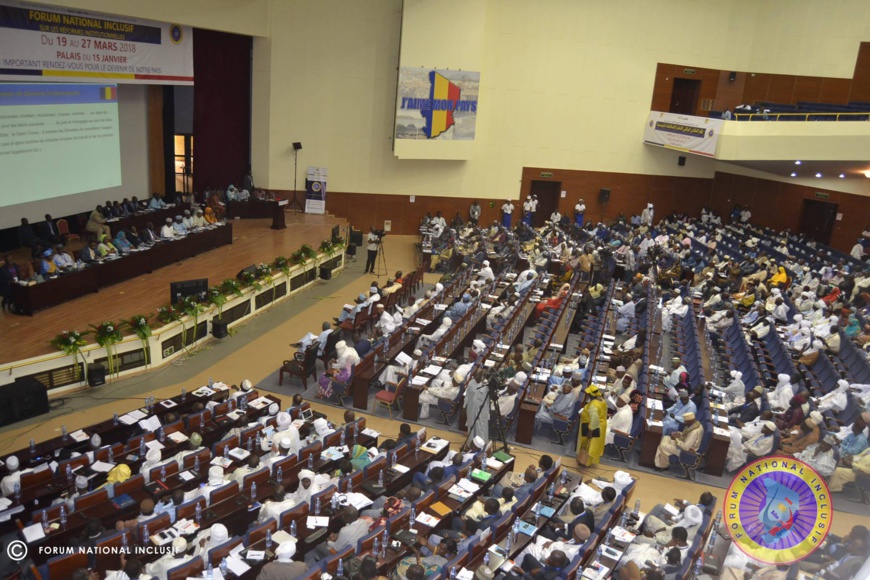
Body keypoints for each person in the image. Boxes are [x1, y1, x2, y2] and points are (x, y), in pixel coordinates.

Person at [577, 385, 607, 466]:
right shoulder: (601, 400)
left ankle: (585, 463)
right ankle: (586, 461)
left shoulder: (593, 405)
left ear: (590, 395)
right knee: (592, 446)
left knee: (590, 446)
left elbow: (594, 421)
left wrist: (590, 432)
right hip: (600, 425)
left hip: (593, 427)